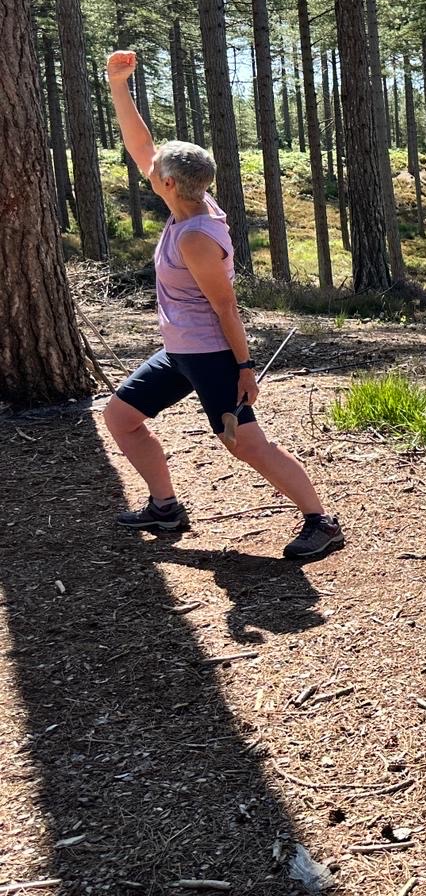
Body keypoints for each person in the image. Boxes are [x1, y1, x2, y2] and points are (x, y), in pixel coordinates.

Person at [101, 50, 344, 561]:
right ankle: (165, 506)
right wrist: (119, 86)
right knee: (121, 417)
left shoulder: (195, 235)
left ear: (169, 184)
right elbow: (142, 147)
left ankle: (320, 521)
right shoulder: (193, 199)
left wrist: (245, 366)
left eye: (156, 173)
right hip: (179, 352)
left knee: (245, 442)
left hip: (210, 352)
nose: (149, 171)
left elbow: (226, 306)